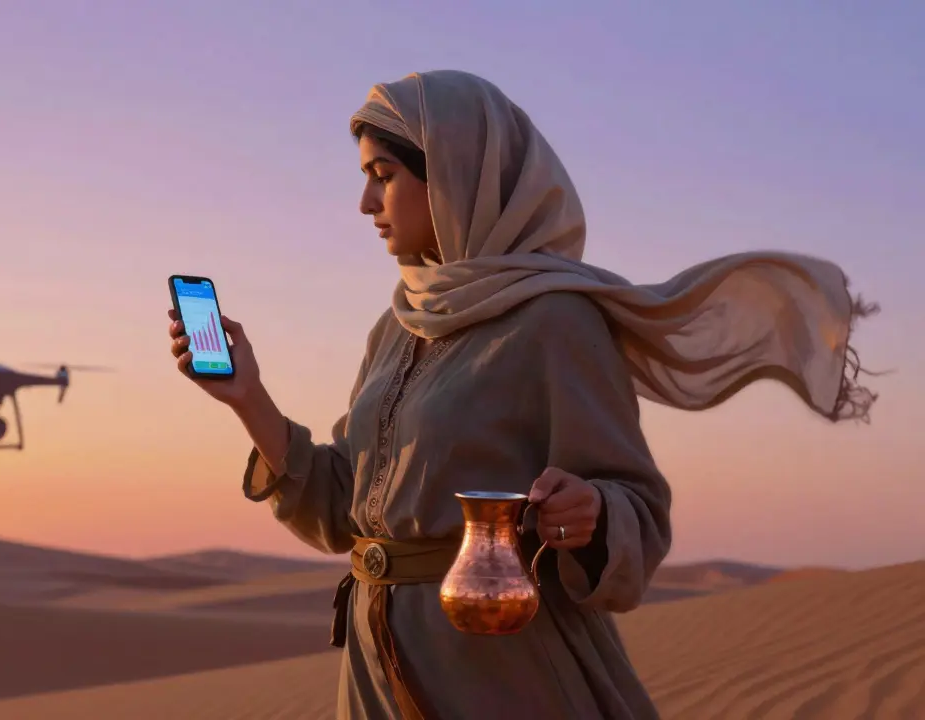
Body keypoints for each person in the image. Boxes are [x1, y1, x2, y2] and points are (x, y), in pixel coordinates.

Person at [165, 69, 878, 720]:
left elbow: (637, 510)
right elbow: (344, 512)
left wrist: (592, 511)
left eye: (384, 175)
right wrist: (248, 398)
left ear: (452, 177)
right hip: (377, 672)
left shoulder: (555, 320)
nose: (365, 203)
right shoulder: (396, 327)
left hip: (502, 673)